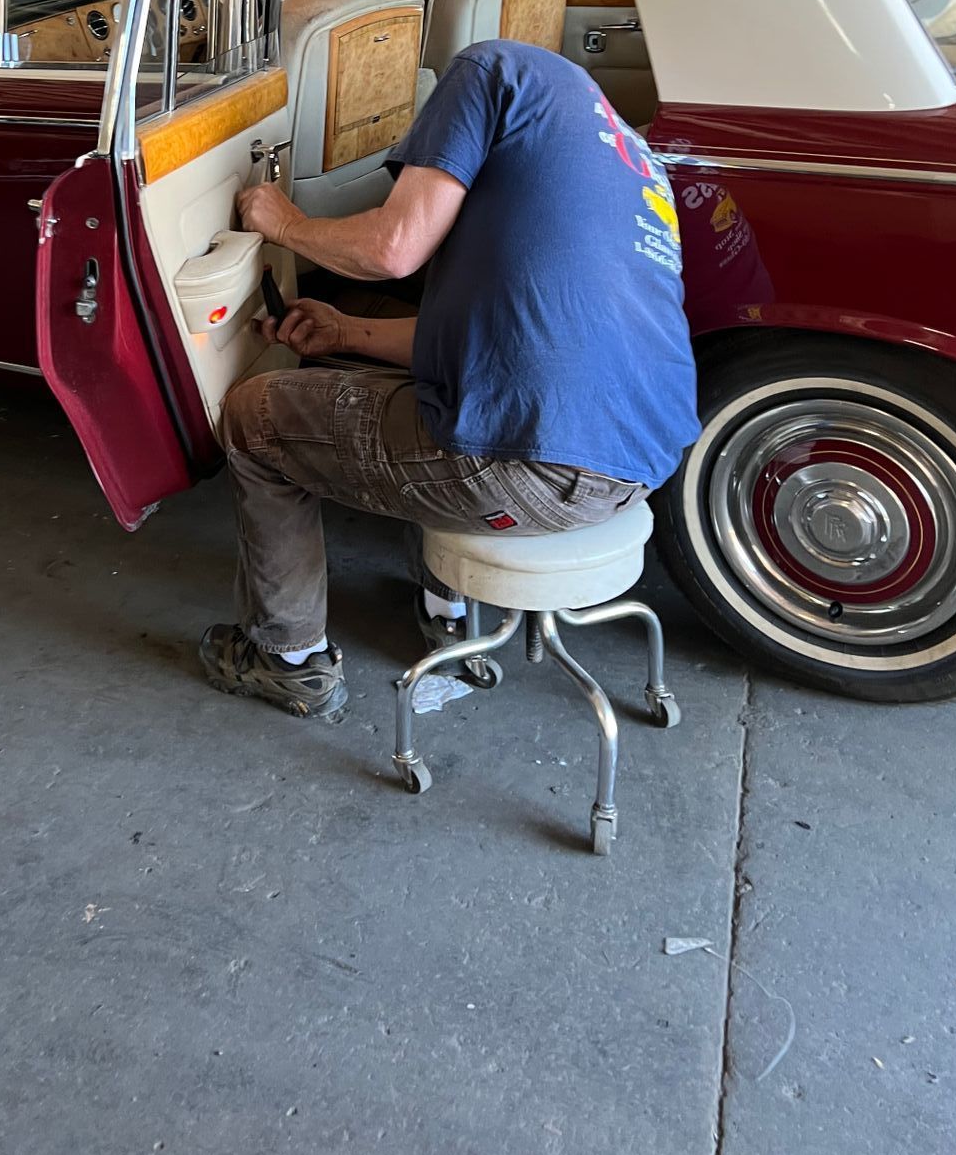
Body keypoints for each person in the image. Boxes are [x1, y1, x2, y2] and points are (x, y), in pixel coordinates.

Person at [197, 39, 700, 724]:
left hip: (530, 467)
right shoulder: (624, 153)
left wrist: (284, 222)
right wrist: (346, 335)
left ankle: (286, 659)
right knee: (443, 399)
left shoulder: (487, 71)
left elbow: (393, 248)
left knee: (256, 417)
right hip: (639, 465)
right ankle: (445, 613)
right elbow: (513, 339)